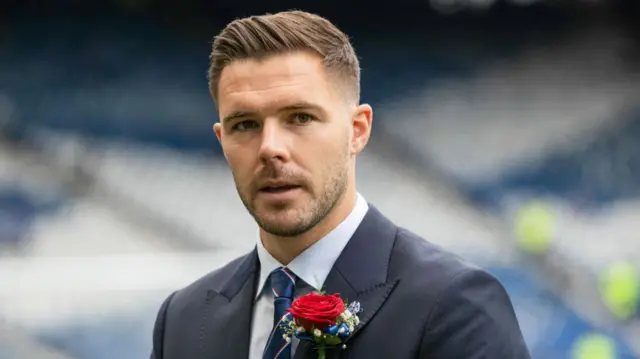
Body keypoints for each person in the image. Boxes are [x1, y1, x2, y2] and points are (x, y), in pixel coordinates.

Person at [149, 10, 531, 359]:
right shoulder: (182, 320)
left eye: (299, 117)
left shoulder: (454, 306)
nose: (269, 149)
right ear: (222, 140)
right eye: (244, 125)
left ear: (357, 131)